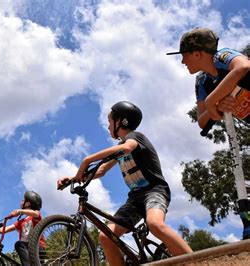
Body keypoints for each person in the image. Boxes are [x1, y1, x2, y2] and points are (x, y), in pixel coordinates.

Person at [57, 101, 193, 266]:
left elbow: (128, 148)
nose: (108, 127)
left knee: (155, 224)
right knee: (105, 236)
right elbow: (100, 171)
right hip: (135, 199)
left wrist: (87, 160)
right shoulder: (120, 147)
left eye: (109, 121)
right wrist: (73, 178)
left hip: (154, 191)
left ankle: (201, 261)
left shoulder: (135, 137)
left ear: (122, 122)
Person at [166, 27, 250, 127]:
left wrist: (211, 101)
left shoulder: (221, 55)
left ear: (197, 55)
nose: (182, 61)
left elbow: (243, 67)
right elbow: (202, 122)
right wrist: (218, 106)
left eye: (184, 55)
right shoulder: (202, 82)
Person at [0, 191, 45, 266]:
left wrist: (20, 211)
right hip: (26, 249)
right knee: (20, 245)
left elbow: (36, 213)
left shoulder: (34, 217)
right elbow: (3, 230)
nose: (21, 202)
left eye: (23, 200)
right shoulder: (20, 222)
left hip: (38, 248)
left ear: (28, 203)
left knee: (18, 244)